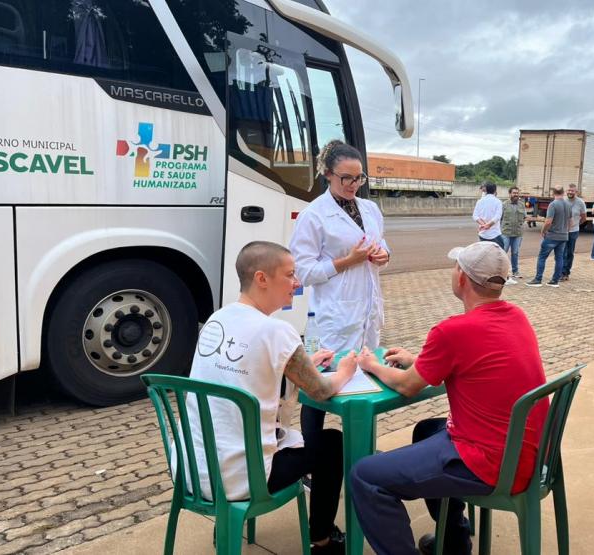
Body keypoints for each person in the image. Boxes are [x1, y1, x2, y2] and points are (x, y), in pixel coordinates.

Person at [348, 242, 549, 555]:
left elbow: (407, 387)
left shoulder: (452, 331)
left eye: (457, 267)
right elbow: (466, 364)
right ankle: (455, 542)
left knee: (365, 476)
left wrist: (371, 365)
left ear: (462, 279)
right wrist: (418, 360)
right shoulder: (516, 316)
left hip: (491, 462)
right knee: (427, 429)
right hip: (528, 452)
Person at [187, 241, 357, 554]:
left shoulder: (217, 319)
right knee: (331, 442)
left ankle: (226, 524)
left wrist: (301, 365)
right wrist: (344, 370)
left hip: (192, 468)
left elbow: (244, 369)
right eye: (290, 275)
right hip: (242, 477)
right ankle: (321, 539)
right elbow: (320, 390)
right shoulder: (276, 331)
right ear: (262, 278)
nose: (298, 282)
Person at [290, 139, 390, 455]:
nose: (353, 185)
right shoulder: (313, 215)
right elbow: (303, 271)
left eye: (358, 178)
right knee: (318, 389)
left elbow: (382, 244)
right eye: (346, 178)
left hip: (366, 310)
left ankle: (360, 452)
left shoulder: (370, 208)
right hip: (330, 317)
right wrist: (348, 261)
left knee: (364, 383)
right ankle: (311, 457)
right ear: (328, 175)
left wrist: (383, 255)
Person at [526, 185, 570, 287]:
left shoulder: (553, 204)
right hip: (563, 236)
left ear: (553, 193)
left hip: (552, 235)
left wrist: (543, 230)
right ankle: (555, 281)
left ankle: (538, 279)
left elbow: (548, 221)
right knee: (559, 258)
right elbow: (570, 221)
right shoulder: (567, 205)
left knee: (542, 257)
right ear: (563, 193)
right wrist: (566, 231)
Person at [500, 186, 527, 282]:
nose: (516, 194)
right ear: (510, 194)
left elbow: (524, 217)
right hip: (506, 233)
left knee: (515, 253)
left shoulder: (521, 205)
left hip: (518, 234)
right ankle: (502, 272)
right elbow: (500, 218)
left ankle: (515, 271)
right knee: (503, 253)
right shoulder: (504, 205)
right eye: (514, 193)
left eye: (517, 193)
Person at [561, 183, 587, 281]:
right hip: (563, 231)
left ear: (576, 192)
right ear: (566, 191)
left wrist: (576, 225)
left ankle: (566, 272)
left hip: (574, 231)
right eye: (569, 190)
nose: (570, 192)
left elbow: (584, 218)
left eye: (572, 191)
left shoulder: (580, 202)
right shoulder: (563, 201)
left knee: (569, 252)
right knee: (562, 252)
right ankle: (561, 272)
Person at [472, 182, 504, 248]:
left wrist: (483, 225)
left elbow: (475, 216)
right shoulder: (498, 202)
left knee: (483, 255)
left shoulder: (479, 201)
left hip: (482, 234)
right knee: (498, 254)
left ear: (486, 190)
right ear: (495, 190)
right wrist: (488, 225)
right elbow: (497, 216)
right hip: (495, 234)